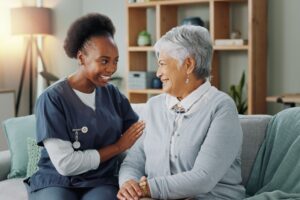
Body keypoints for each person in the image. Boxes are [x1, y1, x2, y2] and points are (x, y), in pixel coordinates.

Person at [25, 13, 145, 200]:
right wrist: (118, 147)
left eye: (115, 61)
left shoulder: (112, 94)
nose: (112, 69)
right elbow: (65, 164)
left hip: (101, 180)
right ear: (81, 58)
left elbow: (139, 135)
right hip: (57, 179)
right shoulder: (52, 99)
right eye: (104, 61)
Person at [118, 25, 246, 200]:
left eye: (162, 64)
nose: (158, 73)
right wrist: (129, 184)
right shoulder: (154, 106)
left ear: (188, 65)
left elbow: (204, 177)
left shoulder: (221, 108)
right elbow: (133, 161)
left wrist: (149, 188)